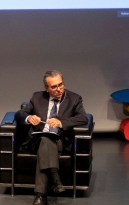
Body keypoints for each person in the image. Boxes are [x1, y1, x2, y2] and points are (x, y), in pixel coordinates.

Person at [14, 70, 88, 205]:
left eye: (61, 85)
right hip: (36, 140)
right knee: (44, 139)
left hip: (60, 140)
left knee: (46, 141)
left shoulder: (74, 99)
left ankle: (40, 196)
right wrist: (29, 117)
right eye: (54, 87)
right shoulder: (37, 97)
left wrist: (61, 123)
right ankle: (55, 178)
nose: (59, 89)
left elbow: (83, 117)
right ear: (46, 88)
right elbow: (19, 114)